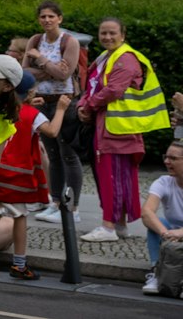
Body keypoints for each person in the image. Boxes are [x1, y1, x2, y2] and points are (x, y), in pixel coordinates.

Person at [78, 17, 164, 241]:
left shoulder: (125, 58)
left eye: (112, 33)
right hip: (112, 127)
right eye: (103, 33)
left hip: (118, 129)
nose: (107, 37)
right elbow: (92, 85)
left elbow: (113, 90)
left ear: (123, 35)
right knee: (119, 178)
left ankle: (108, 227)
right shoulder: (107, 57)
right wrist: (83, 105)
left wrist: (88, 106)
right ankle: (119, 225)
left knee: (113, 178)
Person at [0, 82, 67, 281]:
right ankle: (20, 264)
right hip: (18, 176)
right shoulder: (33, 114)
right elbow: (52, 131)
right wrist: (60, 109)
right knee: (20, 217)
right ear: (30, 92)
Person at [22, 0, 83, 221]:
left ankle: (73, 208)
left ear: (60, 18)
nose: (47, 20)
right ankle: (55, 202)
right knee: (53, 155)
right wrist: (52, 70)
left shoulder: (69, 42)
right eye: (43, 17)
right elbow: (24, 72)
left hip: (64, 102)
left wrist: (40, 59)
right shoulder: (35, 40)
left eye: (51, 16)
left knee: (68, 154)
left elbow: (65, 75)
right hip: (41, 100)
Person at [143, 139, 183, 296]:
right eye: (166, 157)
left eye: (173, 158)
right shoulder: (164, 182)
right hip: (171, 233)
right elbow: (147, 212)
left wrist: (180, 233)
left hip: (179, 232)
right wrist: (164, 232)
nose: (167, 161)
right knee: (155, 224)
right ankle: (156, 271)